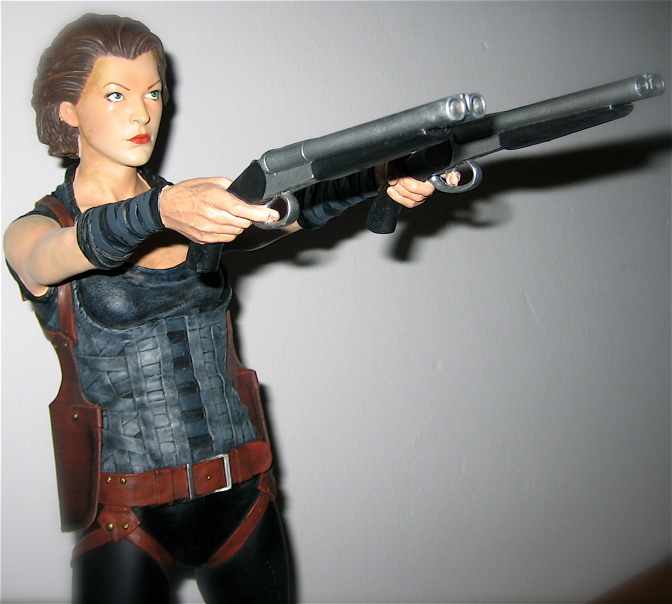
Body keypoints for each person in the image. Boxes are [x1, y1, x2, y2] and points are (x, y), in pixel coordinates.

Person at [4, 13, 437, 604]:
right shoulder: (38, 229)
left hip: (241, 489)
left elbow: (289, 209)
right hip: (125, 509)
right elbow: (52, 255)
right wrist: (159, 211)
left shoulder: (197, 212)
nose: (142, 114)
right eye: (115, 94)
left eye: (153, 93)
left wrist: (380, 175)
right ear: (68, 111)